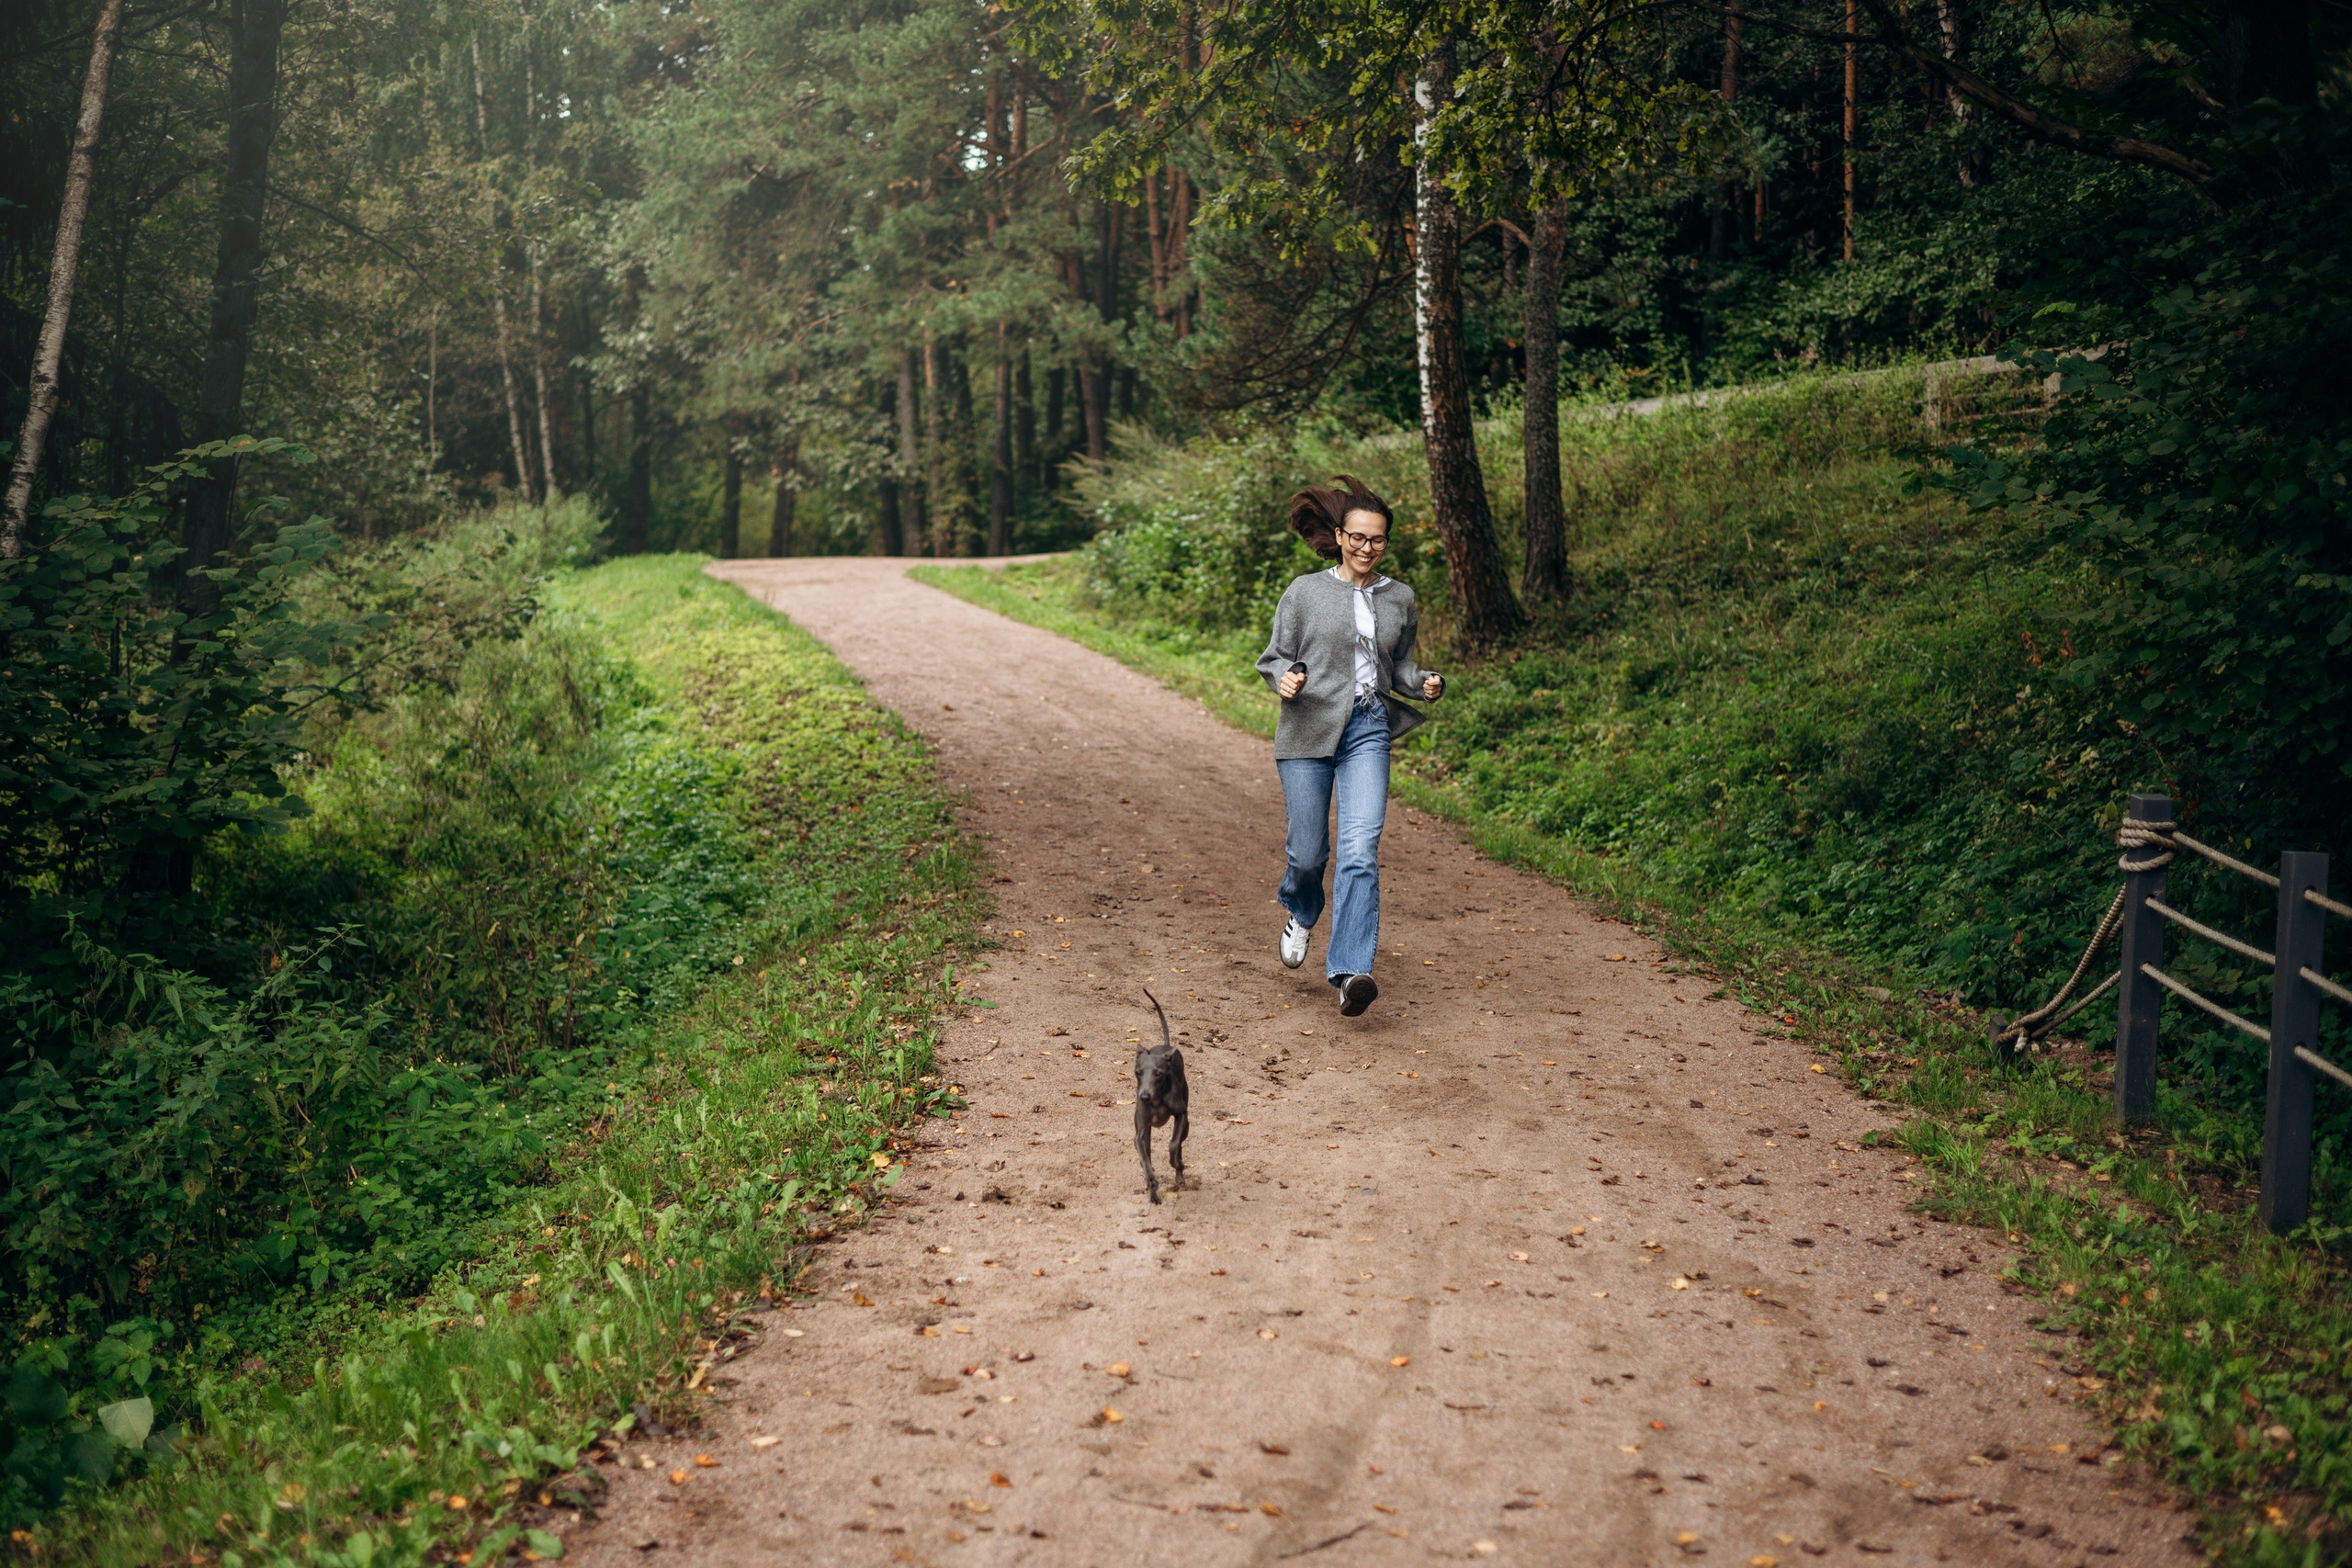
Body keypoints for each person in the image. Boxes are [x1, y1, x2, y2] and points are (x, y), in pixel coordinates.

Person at [1254, 476, 1443, 1017]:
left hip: (1367, 727)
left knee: (1360, 851)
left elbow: (1397, 665)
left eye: (1377, 539)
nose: (1367, 547)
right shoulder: (1304, 592)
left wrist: (1423, 681)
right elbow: (1274, 657)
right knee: (1308, 854)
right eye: (1357, 537)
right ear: (1339, 536)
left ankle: (1349, 972)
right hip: (1308, 728)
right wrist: (1286, 678)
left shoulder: (1400, 597)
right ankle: (1301, 910)